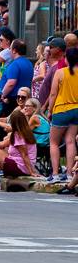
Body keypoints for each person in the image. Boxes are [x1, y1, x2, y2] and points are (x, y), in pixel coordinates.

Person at [0, 108, 39, 189]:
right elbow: (3, 144)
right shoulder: (23, 131)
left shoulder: (19, 135)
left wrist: (31, 172)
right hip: (21, 164)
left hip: (21, 167)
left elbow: (25, 154)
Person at [47, 46, 78, 182]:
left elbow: (53, 94)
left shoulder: (60, 73)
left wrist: (49, 110)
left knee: (53, 142)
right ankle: (70, 174)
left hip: (61, 109)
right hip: (76, 110)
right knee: (70, 141)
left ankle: (55, 174)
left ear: (67, 59)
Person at [0, 39, 34, 113]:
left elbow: (11, 83)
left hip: (12, 100)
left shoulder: (15, 64)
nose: (9, 50)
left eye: (10, 48)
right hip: (23, 98)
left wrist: (1, 96)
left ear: (14, 50)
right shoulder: (29, 63)